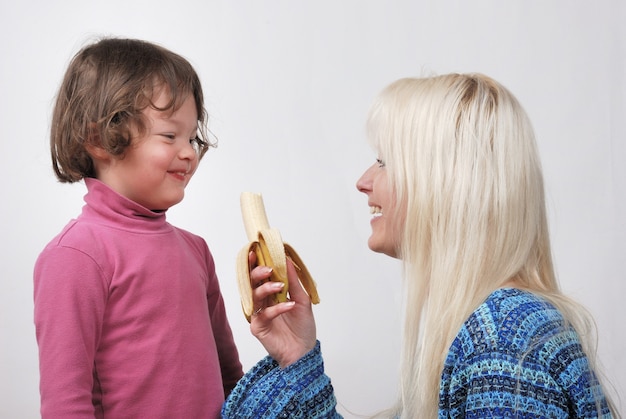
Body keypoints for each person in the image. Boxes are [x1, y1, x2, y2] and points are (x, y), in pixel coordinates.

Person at [221, 73, 620, 418]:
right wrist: (297, 355)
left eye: (385, 161)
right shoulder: (498, 327)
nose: (363, 181)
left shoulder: (501, 343)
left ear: (449, 182)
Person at [33, 38, 243, 418]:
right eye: (169, 136)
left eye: (192, 137)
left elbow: (231, 377)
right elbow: (66, 400)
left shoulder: (196, 250)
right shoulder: (76, 256)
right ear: (100, 139)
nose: (189, 152)